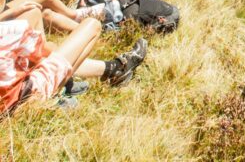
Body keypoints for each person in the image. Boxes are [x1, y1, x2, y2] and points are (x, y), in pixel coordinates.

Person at [0, 10, 147, 114]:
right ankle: (59, 90)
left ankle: (113, 69)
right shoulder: (10, 31)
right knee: (92, 25)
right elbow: (46, 53)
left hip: (7, 101)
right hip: (22, 100)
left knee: (33, 17)